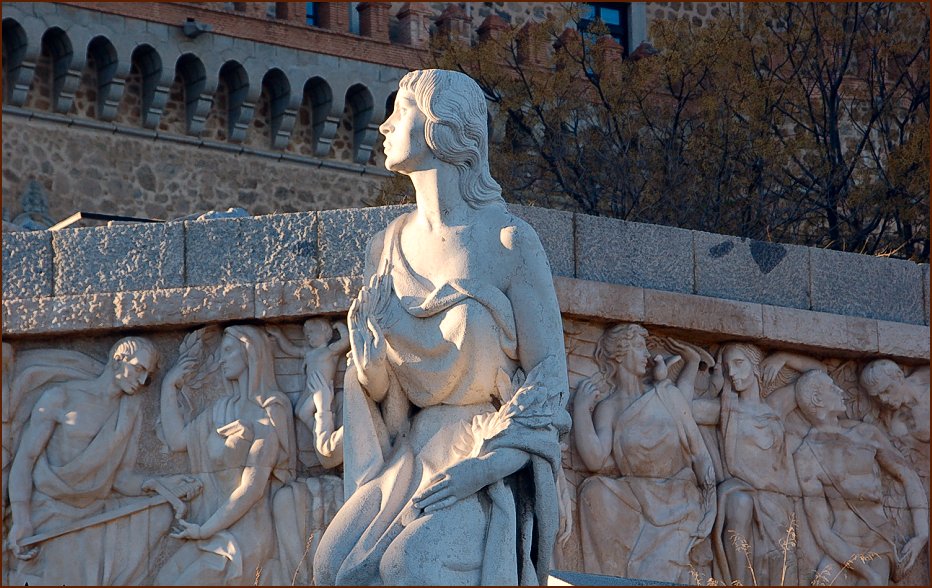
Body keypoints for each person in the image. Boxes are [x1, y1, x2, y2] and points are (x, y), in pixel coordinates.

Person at [313, 68, 569, 585]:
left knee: (408, 564)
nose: (384, 126)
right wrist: (369, 371)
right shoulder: (384, 248)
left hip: (485, 457)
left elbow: (549, 381)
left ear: (440, 126)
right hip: (412, 455)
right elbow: (388, 400)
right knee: (333, 567)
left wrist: (485, 468)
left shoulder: (508, 243)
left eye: (400, 110)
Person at [7, 337, 174, 585]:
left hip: (94, 511)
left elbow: (122, 478)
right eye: (139, 368)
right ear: (118, 360)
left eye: (147, 376)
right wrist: (21, 520)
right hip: (49, 513)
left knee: (161, 515)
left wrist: (161, 485)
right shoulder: (60, 397)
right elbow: (25, 459)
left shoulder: (129, 412)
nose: (141, 381)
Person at [573, 324, 716, 583]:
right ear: (619, 354)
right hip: (636, 493)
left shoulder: (667, 395)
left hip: (678, 496)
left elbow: (698, 453)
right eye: (639, 347)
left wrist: (710, 500)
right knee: (592, 491)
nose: (646, 356)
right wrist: (581, 409)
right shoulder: (609, 407)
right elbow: (595, 460)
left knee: (655, 570)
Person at [156, 325, 296, 585]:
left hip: (244, 536)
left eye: (228, 351)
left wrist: (203, 530)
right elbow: (177, 440)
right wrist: (168, 386)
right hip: (212, 532)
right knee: (162, 579)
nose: (221, 360)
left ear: (249, 354)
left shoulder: (271, 409)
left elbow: (252, 489)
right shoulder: (220, 409)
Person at [794, 370, 928, 585]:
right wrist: (867, 574)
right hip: (841, 546)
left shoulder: (866, 433)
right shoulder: (806, 455)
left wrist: (921, 534)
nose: (840, 391)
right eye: (832, 387)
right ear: (818, 399)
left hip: (879, 542)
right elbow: (822, 532)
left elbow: (908, 475)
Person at [711, 343, 803, 585]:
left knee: (780, 565)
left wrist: (784, 355)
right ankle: (737, 582)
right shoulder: (727, 410)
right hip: (745, 488)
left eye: (739, 364)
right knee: (738, 504)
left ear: (755, 367)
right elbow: (681, 407)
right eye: (727, 367)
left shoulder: (775, 406)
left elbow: (818, 375)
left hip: (779, 500)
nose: (732, 373)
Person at [860, 359, 930, 445]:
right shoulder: (896, 423)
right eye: (877, 397)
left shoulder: (925, 377)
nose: (883, 399)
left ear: (899, 376)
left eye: (886, 391)